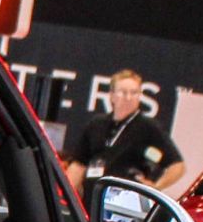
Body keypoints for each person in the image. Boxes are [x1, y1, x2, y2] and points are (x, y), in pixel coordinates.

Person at [61, 69, 189, 194]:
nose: (128, 97)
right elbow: (79, 165)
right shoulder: (96, 124)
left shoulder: (149, 127)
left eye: (134, 93)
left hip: (126, 201)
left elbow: (178, 166)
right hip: (93, 197)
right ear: (111, 95)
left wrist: (155, 188)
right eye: (123, 92)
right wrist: (67, 195)